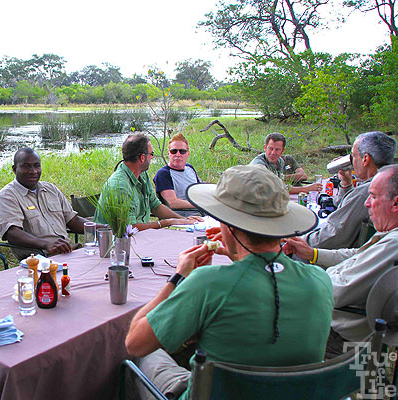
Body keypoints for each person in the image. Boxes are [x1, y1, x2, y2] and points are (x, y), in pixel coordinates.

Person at [125, 165, 333, 400]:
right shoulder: (320, 281)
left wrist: (179, 276)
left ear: (229, 225)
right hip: (293, 393)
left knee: (142, 357)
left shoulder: (208, 283)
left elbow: (135, 342)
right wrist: (237, 254)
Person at [284, 164, 398, 358]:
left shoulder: (392, 245)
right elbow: (357, 254)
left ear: (395, 204)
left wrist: (290, 274)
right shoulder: (388, 235)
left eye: (374, 196)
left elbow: (335, 291)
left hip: (340, 335)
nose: (367, 203)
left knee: (266, 318)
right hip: (344, 321)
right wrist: (313, 254)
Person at [0, 148, 96, 258]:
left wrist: (105, 228)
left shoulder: (50, 189)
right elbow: (13, 234)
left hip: (69, 252)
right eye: (26, 166)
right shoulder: (7, 197)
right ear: (14, 169)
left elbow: (73, 221)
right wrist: (46, 244)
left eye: (36, 165)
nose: (33, 171)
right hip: (40, 258)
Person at [303, 131, 396, 250]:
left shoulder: (366, 193)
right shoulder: (388, 183)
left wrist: (297, 240)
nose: (352, 161)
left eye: (354, 156)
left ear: (365, 159)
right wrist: (346, 184)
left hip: (340, 258)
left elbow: (330, 237)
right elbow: (346, 210)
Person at [94, 134, 202, 231]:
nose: (152, 157)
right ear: (142, 158)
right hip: (117, 243)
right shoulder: (120, 187)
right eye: (151, 154)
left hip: (139, 236)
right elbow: (129, 228)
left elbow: (155, 205)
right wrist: (166, 223)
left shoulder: (142, 174)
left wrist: (183, 220)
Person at [250, 132, 322, 195]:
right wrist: (306, 189)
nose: (273, 153)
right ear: (265, 148)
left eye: (277, 149)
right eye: (270, 148)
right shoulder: (258, 164)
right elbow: (274, 188)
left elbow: (281, 185)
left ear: (283, 150)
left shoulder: (280, 161)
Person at [153, 133, 202, 217]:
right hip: (180, 219)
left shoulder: (190, 169)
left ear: (188, 154)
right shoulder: (163, 174)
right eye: (174, 151)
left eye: (182, 151)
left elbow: (200, 189)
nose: (178, 155)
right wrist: (200, 205)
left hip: (202, 215)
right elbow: (172, 202)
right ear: (168, 153)